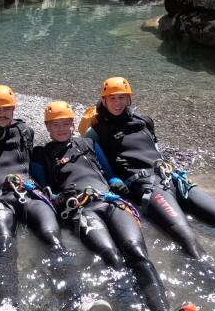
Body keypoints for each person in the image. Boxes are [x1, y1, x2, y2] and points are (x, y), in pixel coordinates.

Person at [82, 77, 215, 310]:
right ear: (103, 100)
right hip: (147, 186)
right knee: (188, 238)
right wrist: (114, 179)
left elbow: (155, 149)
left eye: (122, 97)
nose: (117, 102)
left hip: (171, 178)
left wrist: (167, 167)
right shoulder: (96, 132)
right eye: (112, 98)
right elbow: (100, 166)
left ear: (129, 98)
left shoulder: (143, 120)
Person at [32, 101, 193, 311]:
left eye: (65, 123)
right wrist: (58, 196)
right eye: (55, 124)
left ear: (73, 124)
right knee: (111, 255)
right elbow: (44, 191)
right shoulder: (41, 154)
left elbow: (108, 171)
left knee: (138, 253)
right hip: (81, 208)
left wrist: (116, 181)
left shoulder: (87, 144)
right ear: (47, 127)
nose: (61, 128)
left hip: (111, 201)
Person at [0, 85, 80, 309]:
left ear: (14, 109)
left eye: (7, 108)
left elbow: (31, 161)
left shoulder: (25, 131)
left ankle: (75, 299)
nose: (2, 113)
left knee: (52, 238)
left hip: (30, 192)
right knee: (4, 243)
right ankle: (7, 302)